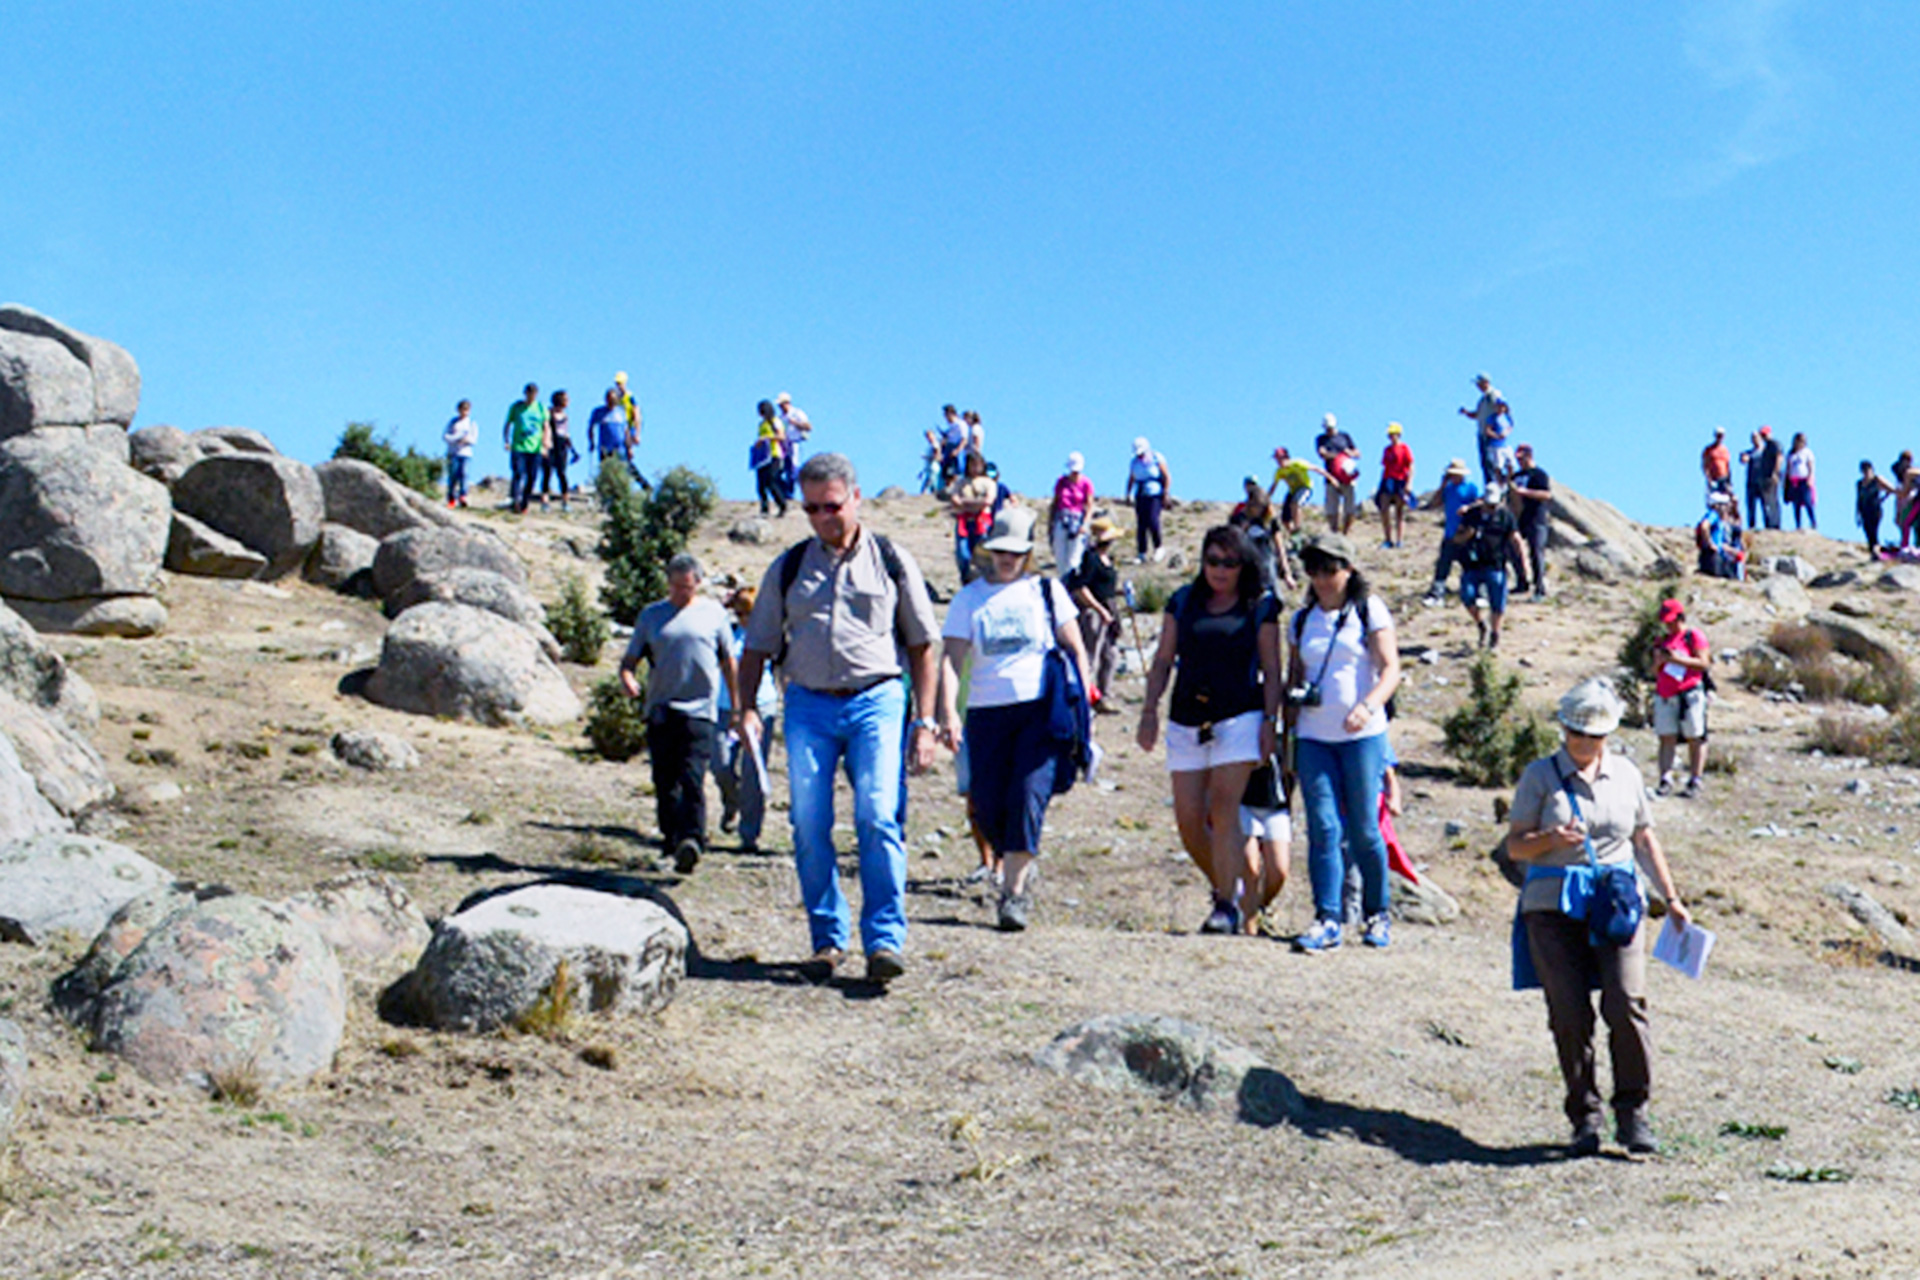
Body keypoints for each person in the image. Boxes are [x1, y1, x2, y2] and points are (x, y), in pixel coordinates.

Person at [736, 453, 941, 986]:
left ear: (856, 497)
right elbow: (756, 646)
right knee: (807, 823)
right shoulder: (788, 566)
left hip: (878, 699)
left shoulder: (892, 560)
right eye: (811, 509)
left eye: (831, 506)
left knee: (876, 815)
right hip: (807, 704)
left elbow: (922, 644)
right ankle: (828, 940)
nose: (823, 518)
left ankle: (884, 940)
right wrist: (744, 711)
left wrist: (926, 722)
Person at [1506, 677, 1691, 1157]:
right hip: (1551, 905)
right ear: (1564, 729)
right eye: (1575, 732)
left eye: (1593, 735)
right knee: (1568, 1012)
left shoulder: (1627, 775)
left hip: (1616, 901)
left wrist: (1670, 897)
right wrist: (1550, 840)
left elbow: (1645, 839)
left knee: (1626, 1002)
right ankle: (1584, 1116)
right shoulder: (1539, 776)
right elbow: (1515, 845)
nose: (1584, 742)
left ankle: (1634, 1114)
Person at [936, 507, 1092, 932]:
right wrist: (948, 711)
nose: (1007, 559)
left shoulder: (1047, 591)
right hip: (986, 714)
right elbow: (951, 658)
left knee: (1028, 794)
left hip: (1039, 710)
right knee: (986, 804)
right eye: (1001, 550)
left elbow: (1075, 648)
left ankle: (1014, 895)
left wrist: (1085, 705)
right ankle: (1016, 865)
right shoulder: (969, 598)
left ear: (1027, 553)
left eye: (1016, 551)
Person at [1136, 526, 1283, 934]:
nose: (1220, 570)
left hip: (1240, 716)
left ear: (1244, 566)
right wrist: (1149, 710)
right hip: (1186, 717)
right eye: (1213, 560)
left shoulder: (1260, 606)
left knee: (1223, 808)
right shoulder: (1183, 602)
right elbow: (1164, 659)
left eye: (1229, 563)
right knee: (1188, 819)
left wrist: (1272, 722)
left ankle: (1224, 905)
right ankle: (1231, 884)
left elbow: (1272, 669)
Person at [1287, 532, 1399, 952]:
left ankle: (1377, 912)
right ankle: (1327, 917)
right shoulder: (1301, 621)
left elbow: (1390, 669)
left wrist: (1367, 707)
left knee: (1365, 830)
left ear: (1348, 570)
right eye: (1313, 569)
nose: (1321, 578)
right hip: (1314, 736)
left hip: (1362, 738)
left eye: (1329, 569)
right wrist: (1285, 729)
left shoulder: (1369, 611)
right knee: (1322, 826)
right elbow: (1295, 677)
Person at [620, 554, 738, 875]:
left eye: (686, 587)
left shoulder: (714, 615)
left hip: (700, 710)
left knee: (692, 777)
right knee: (664, 780)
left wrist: (738, 705)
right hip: (661, 708)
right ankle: (670, 841)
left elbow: (729, 662)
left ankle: (692, 840)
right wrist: (629, 680)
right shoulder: (652, 616)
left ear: (697, 583)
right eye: (674, 586)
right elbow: (630, 660)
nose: (680, 593)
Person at [715, 586, 777, 852]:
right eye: (739, 613)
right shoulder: (727, 633)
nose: (744, 619)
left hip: (760, 706)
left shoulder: (771, 636)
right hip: (724, 707)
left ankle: (749, 834)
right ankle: (731, 801)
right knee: (720, 763)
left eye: (748, 613)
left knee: (754, 772)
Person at [1649, 600, 1711, 799]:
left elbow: (1703, 663)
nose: (1668, 626)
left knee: (1695, 736)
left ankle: (1695, 779)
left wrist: (1676, 659)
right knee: (1667, 737)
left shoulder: (1694, 636)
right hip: (1666, 694)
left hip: (1689, 692)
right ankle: (1666, 778)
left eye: (1671, 621)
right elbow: (1653, 671)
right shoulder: (1661, 640)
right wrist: (1659, 662)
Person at [1454, 484, 1524, 650]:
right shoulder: (1472, 515)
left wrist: (1522, 564)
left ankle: (1495, 633)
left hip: (1496, 564)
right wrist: (1466, 535)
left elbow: (1515, 538)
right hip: (1472, 565)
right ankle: (1480, 624)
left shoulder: (1506, 516)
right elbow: (1456, 537)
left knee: (1497, 602)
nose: (1491, 508)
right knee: (1467, 595)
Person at [1066, 518, 1125, 712]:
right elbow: (1081, 588)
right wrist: (1100, 610)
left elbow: (1103, 587)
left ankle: (1103, 696)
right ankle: (1083, 697)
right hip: (1094, 613)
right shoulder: (1090, 559)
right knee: (1091, 655)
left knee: (1110, 655)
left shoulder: (1107, 559)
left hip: (1108, 609)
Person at [1423, 459, 1481, 603]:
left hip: (1466, 533)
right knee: (1443, 565)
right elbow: (1435, 503)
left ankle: (1476, 592)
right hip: (1450, 533)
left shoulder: (1471, 488)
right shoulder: (1448, 489)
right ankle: (1437, 594)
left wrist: (1468, 508)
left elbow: (1480, 503)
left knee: (1471, 565)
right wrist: (1442, 485)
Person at [1509, 443, 1554, 601]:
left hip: (1536, 517)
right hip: (1520, 517)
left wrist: (1525, 493)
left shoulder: (1538, 474)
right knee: (1511, 547)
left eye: (1522, 458)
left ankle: (1540, 587)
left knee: (1536, 551)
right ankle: (1522, 581)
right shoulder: (1517, 475)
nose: (1519, 462)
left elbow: (1546, 494)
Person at [949, 450, 999, 584]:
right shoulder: (961, 482)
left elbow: (988, 501)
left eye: (978, 465)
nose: (975, 468)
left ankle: (984, 582)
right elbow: (955, 499)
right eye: (972, 465)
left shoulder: (989, 483)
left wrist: (967, 503)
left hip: (981, 523)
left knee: (982, 554)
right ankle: (966, 580)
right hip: (964, 522)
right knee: (963, 554)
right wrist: (974, 503)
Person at [1461, 374, 1513, 486]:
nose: (1477, 386)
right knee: (1486, 462)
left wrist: (1502, 428)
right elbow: (1477, 415)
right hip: (1483, 433)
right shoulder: (1483, 400)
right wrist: (1466, 413)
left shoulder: (1493, 395)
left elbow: (1502, 407)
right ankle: (1491, 485)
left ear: (1486, 382)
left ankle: (1499, 484)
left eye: (1479, 383)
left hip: (1492, 434)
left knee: (1494, 462)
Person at [503, 383, 547, 514]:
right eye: (529, 393)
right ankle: (515, 500)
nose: (531, 396)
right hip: (518, 447)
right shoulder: (517, 407)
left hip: (535, 448)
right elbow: (508, 424)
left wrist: (545, 444)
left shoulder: (540, 408)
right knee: (518, 473)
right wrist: (506, 441)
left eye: (533, 394)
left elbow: (546, 427)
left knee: (532, 477)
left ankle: (525, 503)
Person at [1049, 452, 1095, 576]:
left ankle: (1072, 586)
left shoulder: (1086, 483)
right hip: (1062, 520)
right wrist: (1051, 524)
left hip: (1078, 522)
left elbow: (1089, 505)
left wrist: (1085, 524)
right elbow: (1055, 502)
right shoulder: (1061, 481)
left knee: (1074, 560)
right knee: (1060, 558)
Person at [1314, 414, 1360, 534]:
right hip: (1331, 477)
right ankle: (1334, 532)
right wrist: (1337, 455)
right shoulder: (1321, 439)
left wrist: (1348, 453)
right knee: (1332, 510)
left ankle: (1345, 532)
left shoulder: (1344, 436)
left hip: (1347, 476)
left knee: (1350, 509)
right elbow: (1322, 454)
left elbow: (1357, 453)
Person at [1266, 447, 1325, 536]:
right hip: (1293, 490)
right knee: (1285, 519)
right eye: (1277, 460)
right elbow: (1274, 486)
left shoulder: (1297, 464)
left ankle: (1298, 526)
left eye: (1280, 459)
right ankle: (1293, 534)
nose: (1278, 462)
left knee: (1295, 503)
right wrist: (1267, 498)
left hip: (1305, 487)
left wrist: (1331, 479)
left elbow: (1316, 469)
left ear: (1286, 457)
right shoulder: (1280, 472)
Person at [1376, 422, 1414, 549]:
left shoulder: (1404, 449)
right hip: (1388, 480)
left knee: (1399, 511)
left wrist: (1409, 483)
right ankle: (1387, 538)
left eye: (1394, 434)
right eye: (1390, 435)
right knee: (1384, 509)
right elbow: (1385, 466)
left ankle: (1399, 539)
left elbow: (1411, 466)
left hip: (1400, 480)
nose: (1391, 437)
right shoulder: (1387, 450)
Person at [1694, 493, 1748, 580]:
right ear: (1717, 505)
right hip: (1713, 554)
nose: (1726, 507)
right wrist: (1711, 544)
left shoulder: (1717, 518)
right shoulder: (1713, 515)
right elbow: (1704, 526)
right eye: (1724, 505)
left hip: (1715, 554)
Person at [539, 389, 577, 511]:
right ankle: (545, 500)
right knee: (547, 473)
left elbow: (566, 433)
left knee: (562, 473)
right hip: (550, 444)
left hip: (562, 446)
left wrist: (572, 449)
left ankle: (565, 501)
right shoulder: (548, 414)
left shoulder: (565, 416)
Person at [613, 371, 650, 492]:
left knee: (625, 459)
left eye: (620, 383)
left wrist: (637, 434)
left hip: (628, 428)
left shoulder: (630, 398)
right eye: (617, 383)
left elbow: (637, 416)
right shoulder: (615, 398)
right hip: (618, 430)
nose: (618, 386)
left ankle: (641, 483)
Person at [591, 388, 635, 482]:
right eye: (609, 399)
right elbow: (591, 427)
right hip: (605, 447)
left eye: (613, 399)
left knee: (624, 469)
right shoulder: (599, 412)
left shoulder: (621, 412)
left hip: (620, 447)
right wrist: (591, 442)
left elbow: (626, 430)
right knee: (605, 471)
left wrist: (629, 448)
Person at [752, 400, 787, 517]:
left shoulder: (775, 422)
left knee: (772, 481)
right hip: (762, 458)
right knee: (761, 485)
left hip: (774, 455)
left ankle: (782, 504)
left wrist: (767, 438)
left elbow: (782, 436)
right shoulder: (761, 425)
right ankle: (764, 508)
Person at [775, 392, 812, 497]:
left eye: (782, 404)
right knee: (781, 470)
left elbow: (808, 427)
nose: (780, 407)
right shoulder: (780, 418)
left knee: (793, 469)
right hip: (783, 445)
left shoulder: (797, 413)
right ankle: (786, 492)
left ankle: (792, 492)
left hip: (795, 442)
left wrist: (795, 423)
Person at [1858, 461, 1897, 557]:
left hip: (1875, 509)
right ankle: (1873, 552)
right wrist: (1857, 514)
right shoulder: (1859, 484)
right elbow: (1858, 499)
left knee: (1874, 532)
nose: (1866, 473)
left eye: (1868, 470)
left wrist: (1882, 499)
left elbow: (1891, 489)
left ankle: (1877, 553)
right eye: (1864, 470)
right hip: (1864, 511)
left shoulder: (1877, 480)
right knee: (1868, 532)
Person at [442, 399, 476, 509]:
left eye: (466, 410)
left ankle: (463, 496)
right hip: (453, 453)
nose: (464, 412)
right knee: (453, 476)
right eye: (462, 409)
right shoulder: (453, 422)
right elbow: (445, 436)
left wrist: (466, 440)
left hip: (465, 453)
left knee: (464, 475)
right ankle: (451, 498)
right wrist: (455, 439)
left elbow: (474, 440)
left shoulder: (471, 423)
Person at [927, 405, 967, 495]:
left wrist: (957, 450)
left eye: (946, 415)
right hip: (948, 449)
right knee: (946, 471)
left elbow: (964, 439)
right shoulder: (951, 427)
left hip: (956, 449)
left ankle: (956, 489)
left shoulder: (961, 424)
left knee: (956, 470)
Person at [1784, 431, 1816, 530]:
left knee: (1807, 501)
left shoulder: (1807, 452)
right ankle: (1798, 524)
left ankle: (1813, 522)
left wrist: (1810, 477)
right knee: (1796, 504)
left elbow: (1810, 466)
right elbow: (1788, 467)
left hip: (1804, 479)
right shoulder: (1791, 454)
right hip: (1794, 480)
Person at [1756, 426, 1784, 529]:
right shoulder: (1766, 447)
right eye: (1762, 435)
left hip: (1772, 476)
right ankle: (1770, 523)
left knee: (1773, 500)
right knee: (1767, 501)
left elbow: (1779, 458)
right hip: (1765, 477)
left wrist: (1775, 473)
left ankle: (1776, 523)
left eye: (1765, 434)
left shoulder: (1775, 445)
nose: (1764, 437)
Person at [1701, 427, 1732, 498]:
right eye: (1718, 435)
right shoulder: (1709, 450)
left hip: (1724, 478)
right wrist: (1708, 478)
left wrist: (1729, 481)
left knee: (1725, 499)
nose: (1720, 438)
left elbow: (1727, 465)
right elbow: (1705, 465)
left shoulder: (1725, 450)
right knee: (1714, 499)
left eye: (1721, 436)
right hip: (1714, 478)